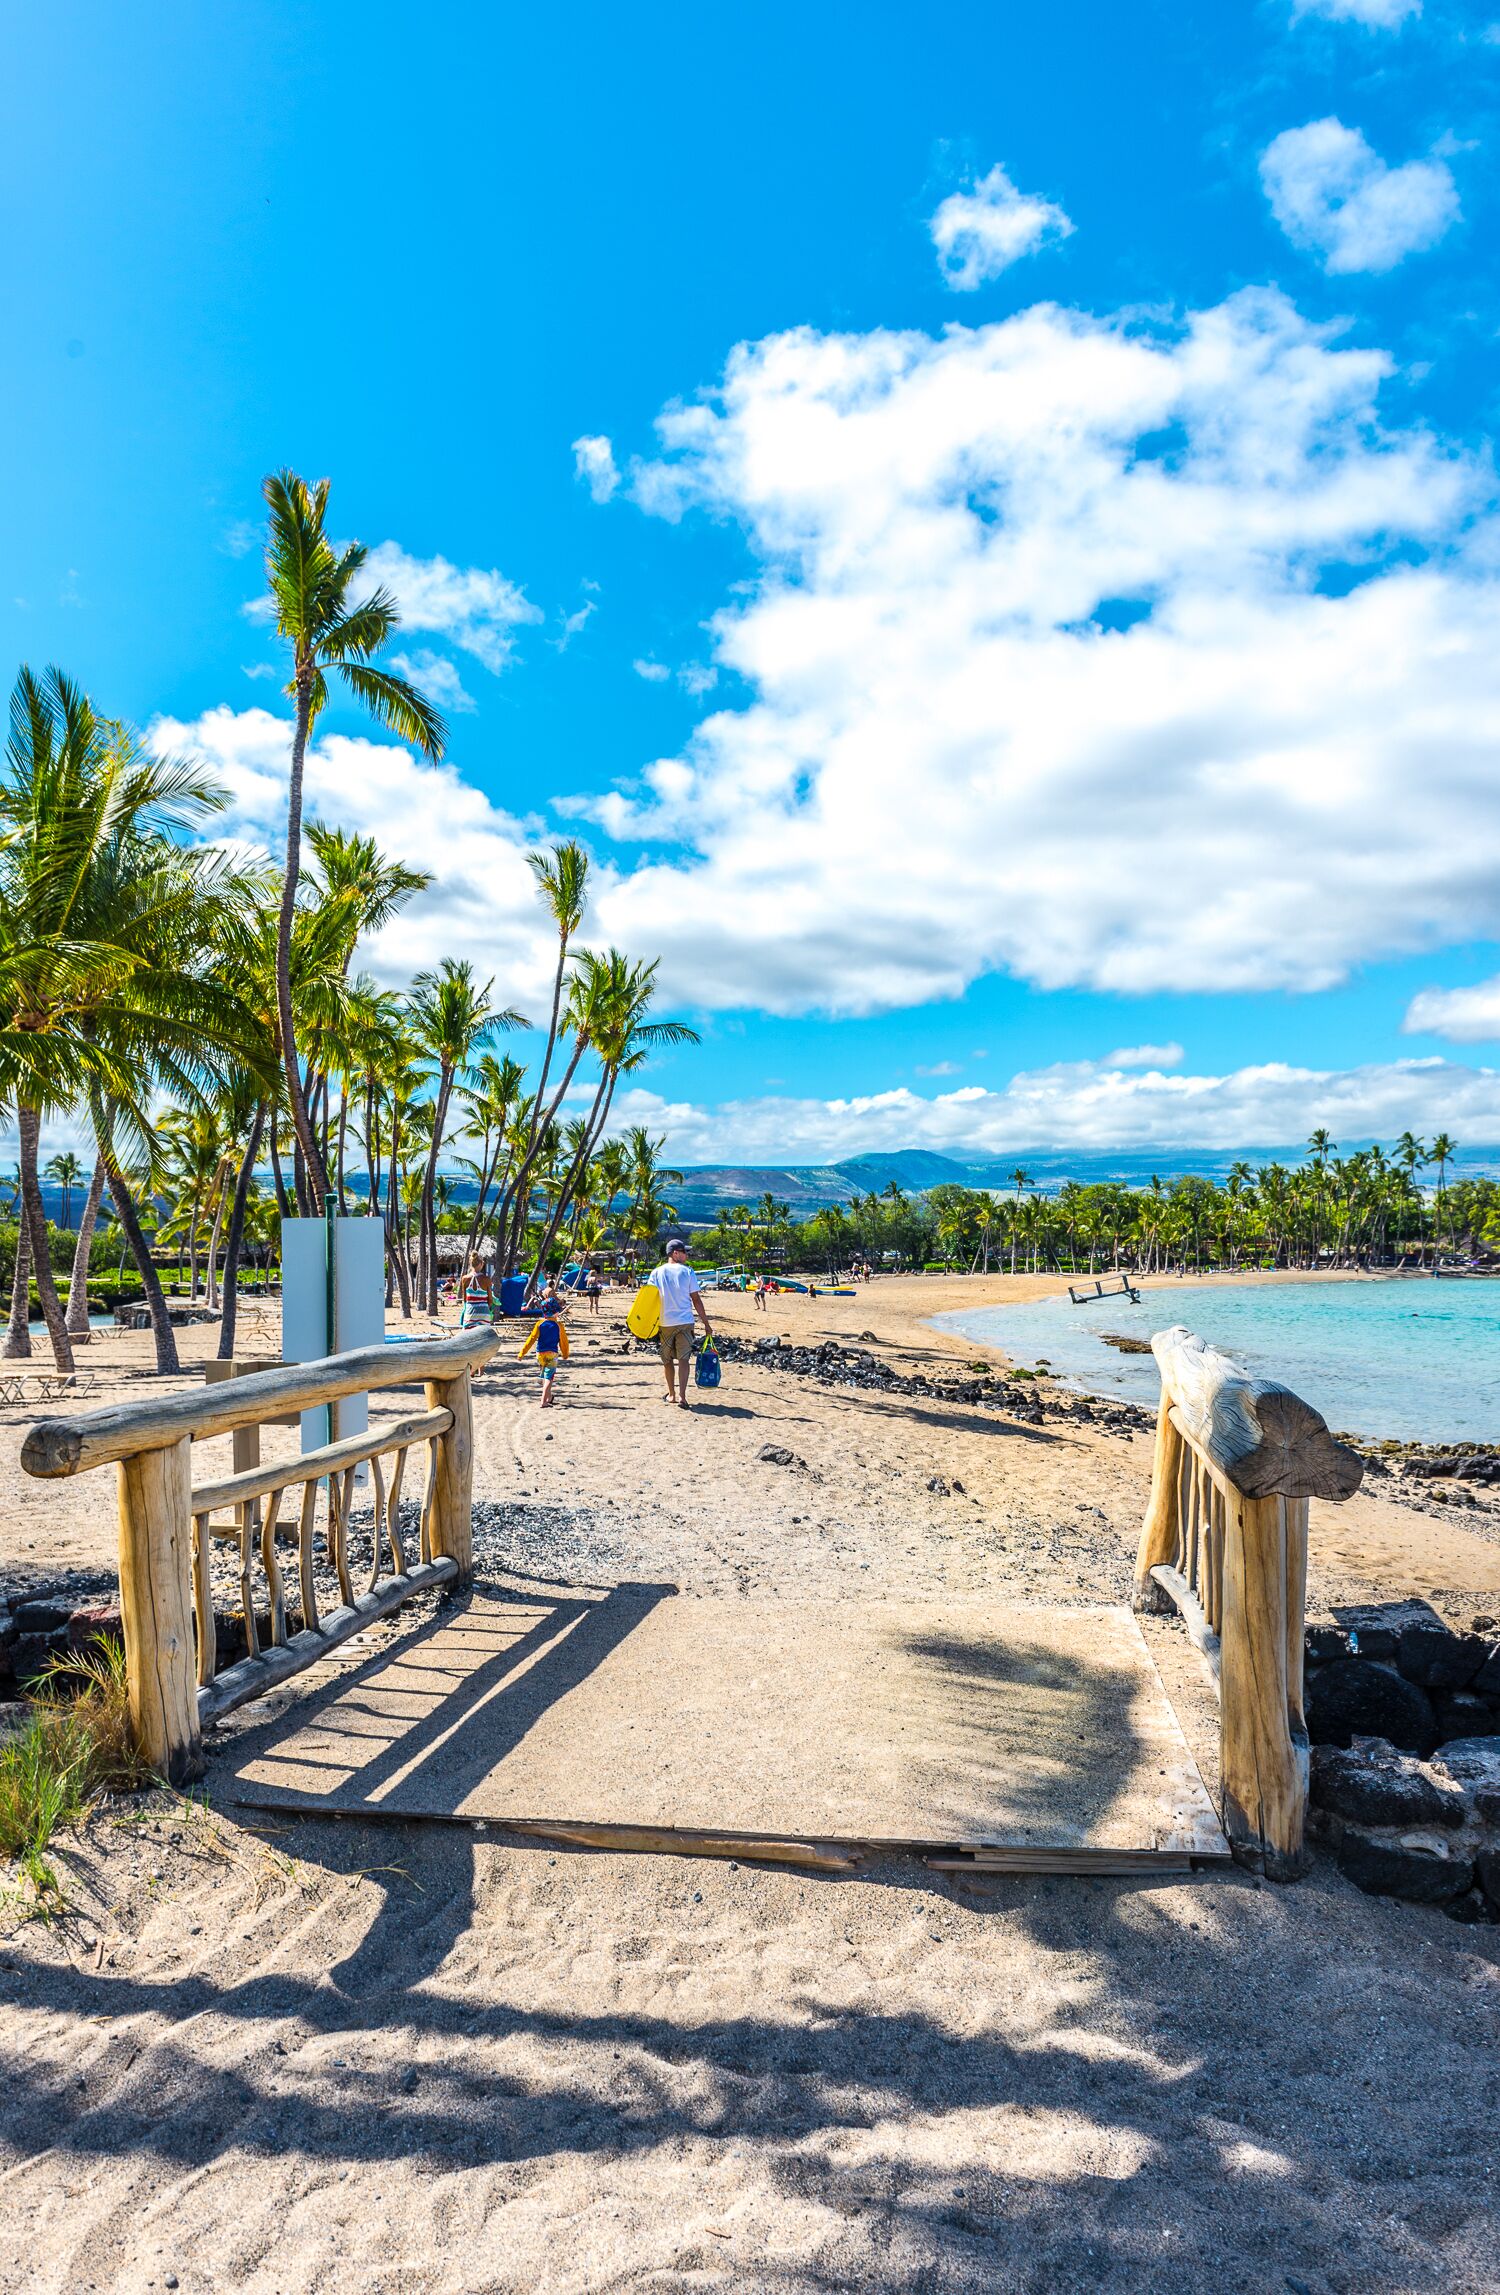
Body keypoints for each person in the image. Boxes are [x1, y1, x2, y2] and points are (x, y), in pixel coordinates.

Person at [647, 1237, 714, 1407]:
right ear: (675, 1253)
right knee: (684, 1360)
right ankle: (683, 1396)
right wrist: (706, 1323)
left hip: (665, 1323)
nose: (687, 1256)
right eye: (684, 1252)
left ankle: (672, 1395)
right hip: (685, 1322)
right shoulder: (688, 1272)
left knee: (667, 1360)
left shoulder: (656, 1272)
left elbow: (649, 1299)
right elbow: (696, 1300)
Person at [517, 1299, 570, 1406]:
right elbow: (564, 1342)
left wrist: (522, 1353)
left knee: (545, 1375)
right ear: (556, 1312)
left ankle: (549, 1397)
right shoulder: (559, 1326)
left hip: (540, 1354)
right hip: (552, 1354)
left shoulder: (539, 1324)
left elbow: (531, 1339)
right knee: (549, 1378)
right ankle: (543, 1401)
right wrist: (565, 1354)